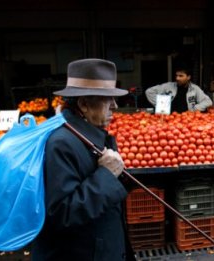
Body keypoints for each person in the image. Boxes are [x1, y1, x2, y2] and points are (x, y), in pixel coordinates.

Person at [32, 59, 135, 261]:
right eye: (107, 99)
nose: (115, 106)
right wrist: (106, 175)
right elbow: (61, 214)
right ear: (84, 104)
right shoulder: (61, 143)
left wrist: (119, 178)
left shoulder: (88, 135)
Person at [145, 67, 212, 113]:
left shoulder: (195, 89)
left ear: (188, 77)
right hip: (169, 118)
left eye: (181, 76)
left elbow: (208, 102)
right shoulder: (168, 86)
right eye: (176, 75)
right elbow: (149, 92)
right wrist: (159, 105)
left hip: (186, 119)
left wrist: (194, 109)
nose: (177, 78)